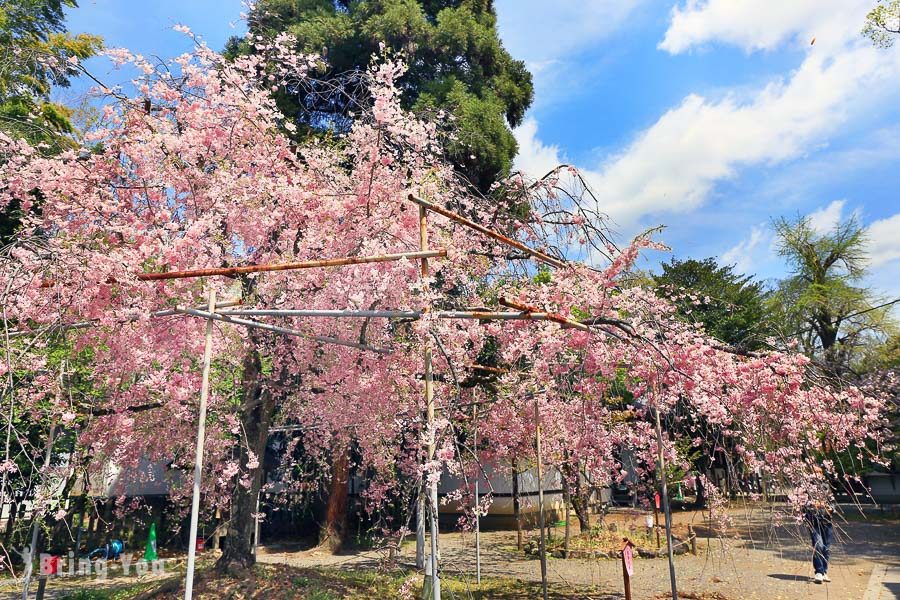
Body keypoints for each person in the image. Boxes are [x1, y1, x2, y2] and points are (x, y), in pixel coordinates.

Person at [804, 499, 833, 583]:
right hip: (814, 524)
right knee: (818, 545)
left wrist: (831, 509)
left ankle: (824, 571)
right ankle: (819, 572)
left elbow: (833, 506)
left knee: (826, 548)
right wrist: (814, 507)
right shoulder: (808, 494)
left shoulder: (828, 494)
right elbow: (805, 509)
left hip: (827, 523)